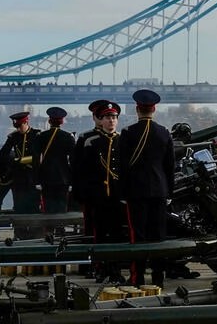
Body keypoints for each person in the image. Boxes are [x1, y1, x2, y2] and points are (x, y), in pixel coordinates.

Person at [116, 89, 174, 287]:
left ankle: (137, 278)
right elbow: (170, 166)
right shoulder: (164, 132)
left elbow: (122, 166)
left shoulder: (127, 133)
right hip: (159, 191)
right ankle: (158, 280)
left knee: (137, 236)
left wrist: (122, 193)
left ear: (136, 109)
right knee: (159, 236)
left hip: (135, 192)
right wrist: (169, 192)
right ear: (154, 109)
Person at [70, 99, 124, 283]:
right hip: (97, 196)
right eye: (108, 117)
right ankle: (100, 269)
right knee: (98, 234)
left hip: (116, 196)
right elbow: (78, 169)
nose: (111, 121)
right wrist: (81, 194)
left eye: (114, 117)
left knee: (117, 234)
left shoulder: (121, 140)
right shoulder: (88, 140)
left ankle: (115, 270)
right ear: (99, 119)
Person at [30, 106, 75, 213]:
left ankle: (49, 228)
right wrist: (72, 181)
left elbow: (35, 159)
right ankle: (60, 229)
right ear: (62, 121)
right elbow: (73, 161)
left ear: (49, 121)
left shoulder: (41, 136)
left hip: (46, 177)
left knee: (48, 207)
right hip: (63, 178)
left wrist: (36, 180)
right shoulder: (68, 137)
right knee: (62, 207)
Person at [0, 111, 40, 214]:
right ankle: (20, 230)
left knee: (33, 205)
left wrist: (21, 160)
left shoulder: (36, 135)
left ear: (26, 122)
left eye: (20, 126)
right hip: (18, 176)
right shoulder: (13, 137)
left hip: (33, 175)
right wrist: (12, 162)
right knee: (19, 205)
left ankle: (35, 229)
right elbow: (3, 154)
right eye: (17, 127)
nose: (18, 129)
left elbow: (38, 156)